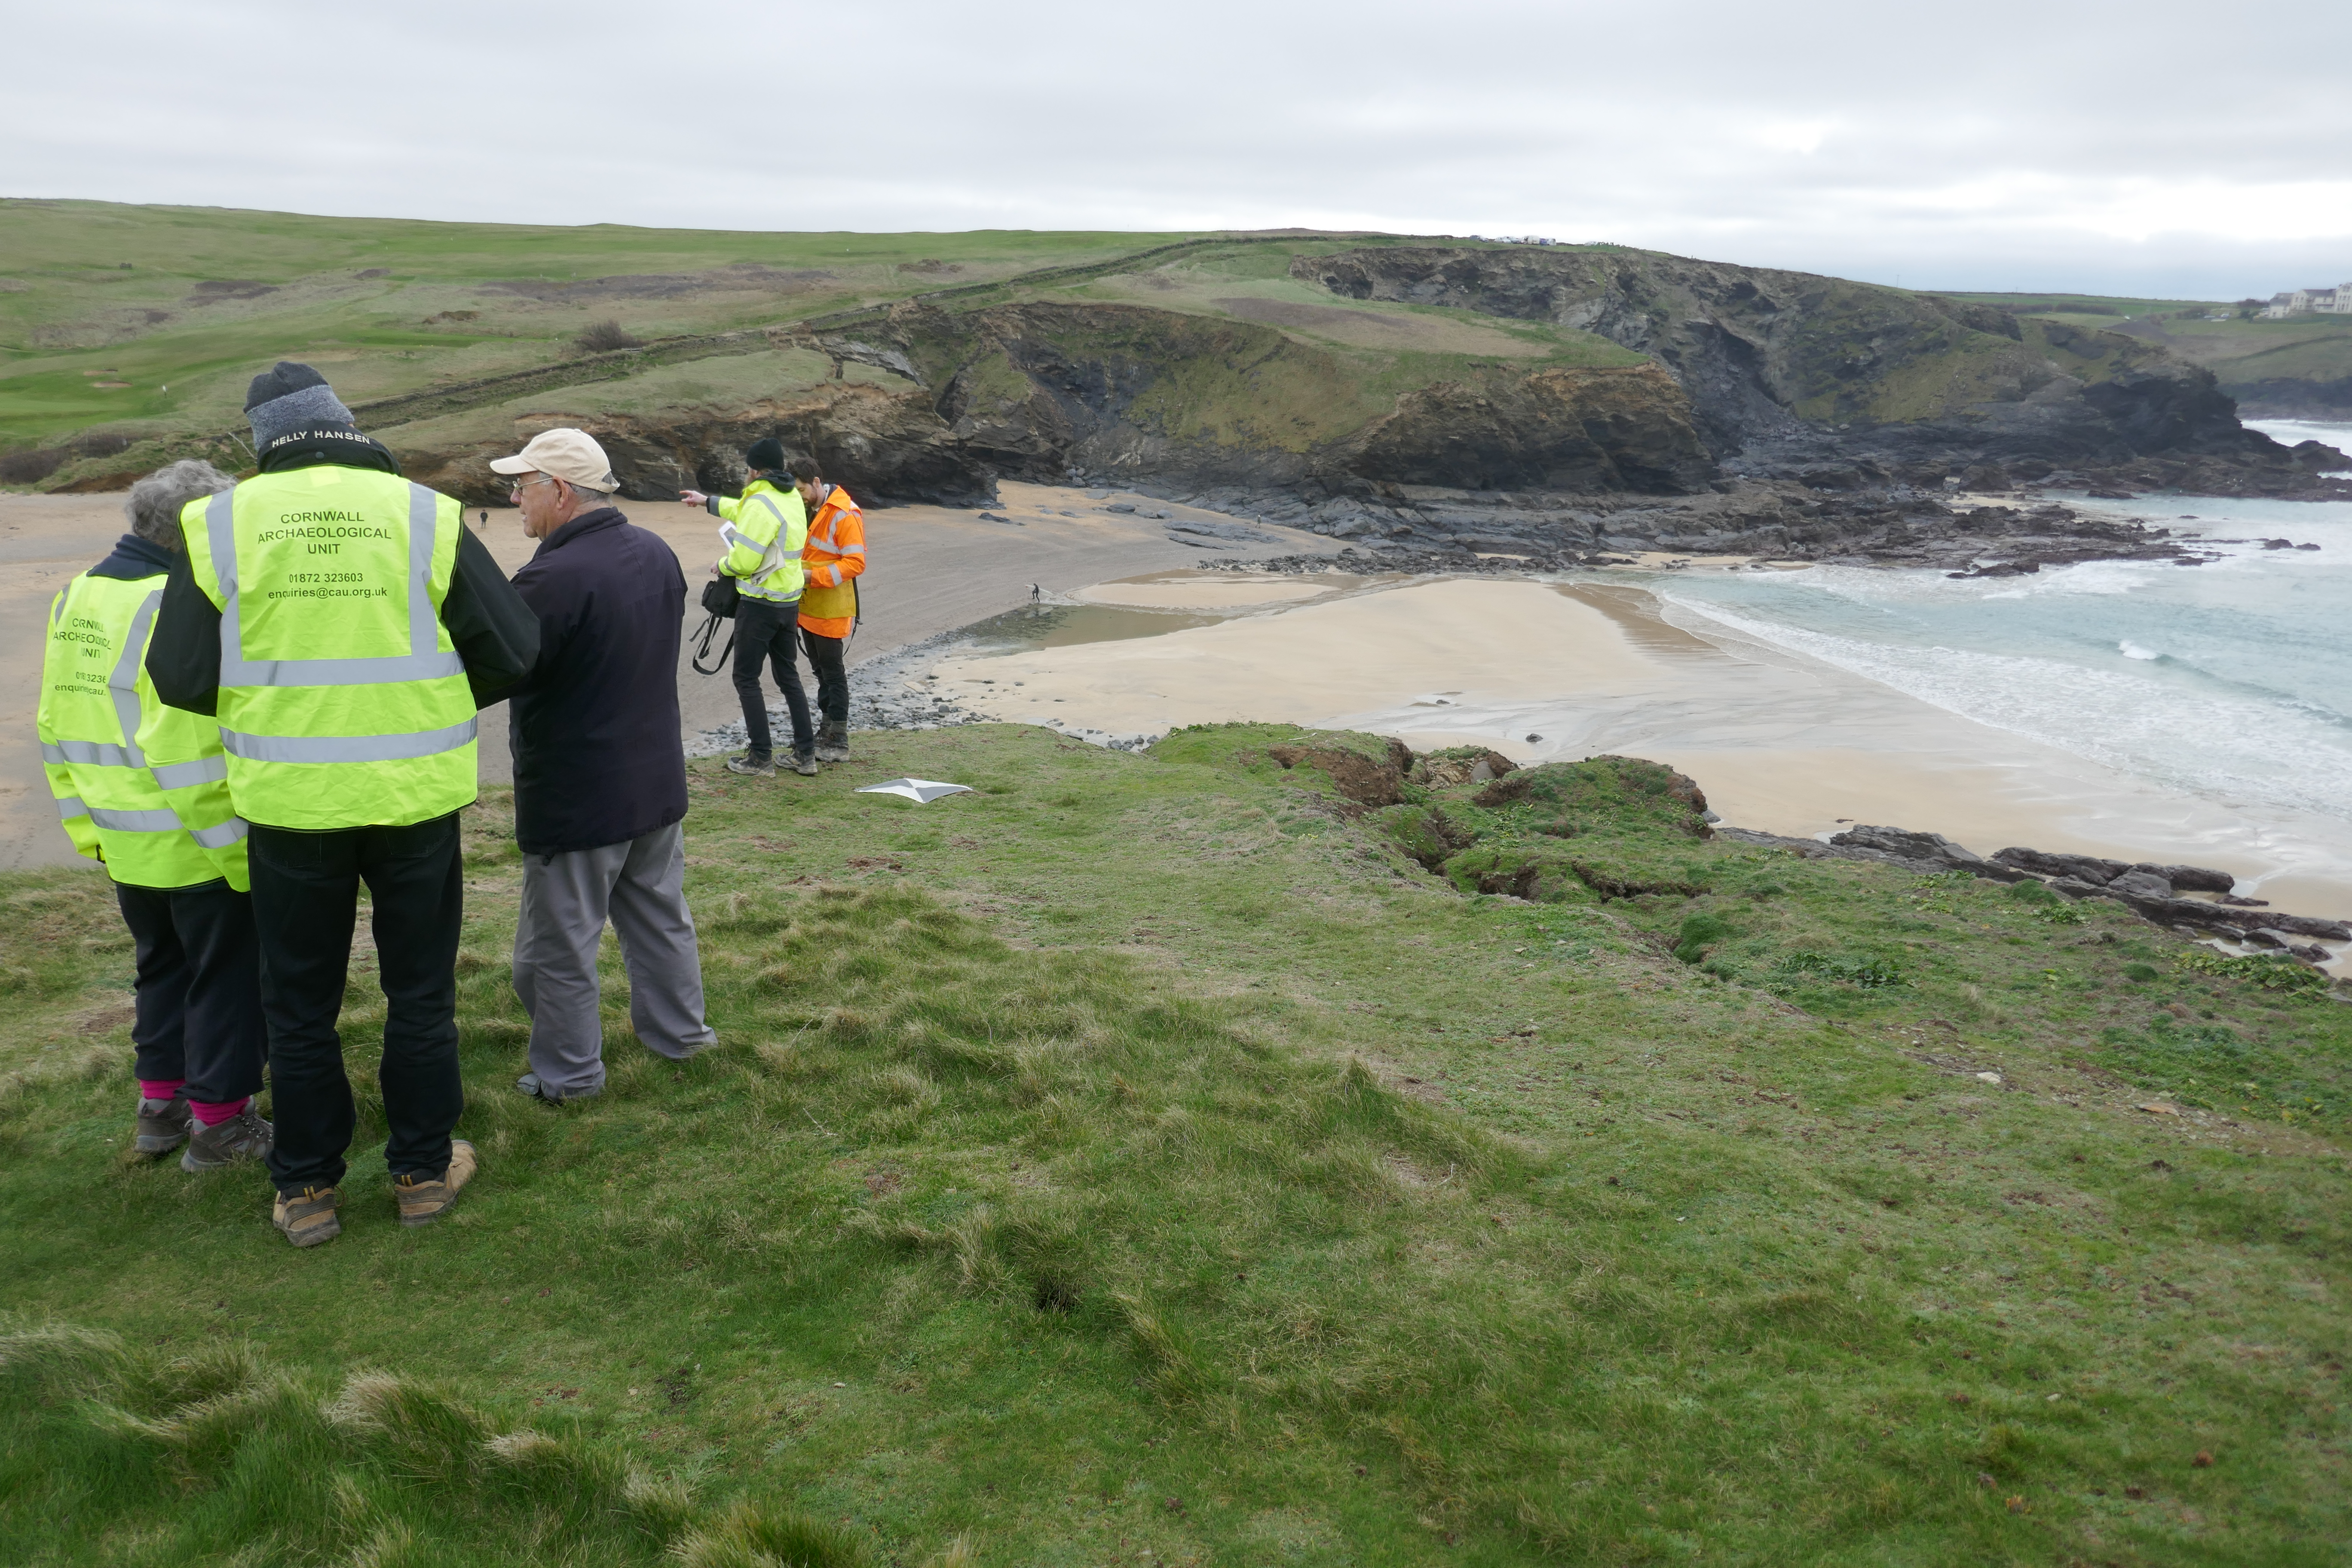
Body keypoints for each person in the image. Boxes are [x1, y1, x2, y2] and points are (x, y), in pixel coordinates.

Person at [147, 361, 540, 1248]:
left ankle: (308, 1190)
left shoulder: (216, 522)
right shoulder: (422, 512)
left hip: (290, 804)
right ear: (345, 423)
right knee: (420, 993)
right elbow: (515, 650)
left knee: (298, 1005)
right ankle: (422, 1173)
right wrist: (418, 703)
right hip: (414, 799)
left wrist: (279, 706)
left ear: (261, 441)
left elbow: (178, 675)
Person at [38, 459, 271, 1172]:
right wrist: (240, 857)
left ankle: (160, 1108)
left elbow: (55, 725)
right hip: (191, 839)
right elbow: (186, 750)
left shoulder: (76, 596)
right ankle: (222, 1125)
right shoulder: (173, 602)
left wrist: (91, 835)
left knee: (161, 970)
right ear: (192, 531)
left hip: (121, 835)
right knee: (227, 980)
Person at [484, 429, 717, 1104]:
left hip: (580, 794)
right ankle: (682, 1039)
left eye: (522, 485)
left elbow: (492, 674)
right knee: (659, 919)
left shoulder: (551, 578)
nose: (513, 498)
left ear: (559, 491)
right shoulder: (654, 551)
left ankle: (570, 1076)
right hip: (652, 779)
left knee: (553, 950)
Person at [679, 437, 810, 777]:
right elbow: (742, 511)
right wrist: (706, 501)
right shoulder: (790, 495)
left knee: (746, 678)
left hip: (761, 603)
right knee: (788, 677)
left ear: (754, 469)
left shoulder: (760, 501)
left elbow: (745, 559)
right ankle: (805, 754)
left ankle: (761, 757)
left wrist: (721, 565)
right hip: (789, 601)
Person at [788, 456, 865, 764]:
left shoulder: (844, 514)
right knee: (821, 670)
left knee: (832, 673)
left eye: (802, 489)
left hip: (830, 606)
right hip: (811, 604)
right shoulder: (813, 509)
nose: (799, 496)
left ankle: (839, 739)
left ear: (817, 483)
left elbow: (856, 563)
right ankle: (828, 730)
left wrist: (811, 576)